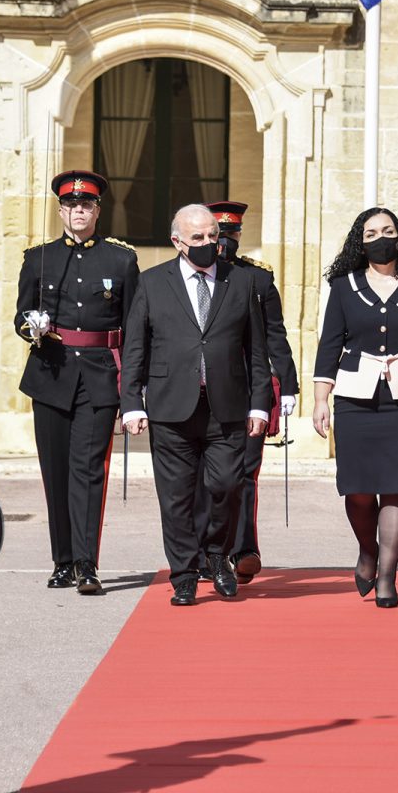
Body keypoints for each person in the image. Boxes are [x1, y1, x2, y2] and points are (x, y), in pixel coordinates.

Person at [119, 204, 271, 606]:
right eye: (199, 238)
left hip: (228, 406)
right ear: (178, 242)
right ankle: (184, 573)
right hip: (171, 406)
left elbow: (255, 349)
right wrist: (132, 402)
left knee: (225, 485)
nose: (209, 244)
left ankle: (217, 554)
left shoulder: (241, 282)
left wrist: (260, 405)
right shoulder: (152, 283)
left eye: (213, 236)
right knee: (176, 496)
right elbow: (136, 346)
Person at [311, 207, 398, 608]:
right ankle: (367, 550)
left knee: (396, 486)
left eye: (387, 230)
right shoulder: (343, 286)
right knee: (356, 489)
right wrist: (321, 399)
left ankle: (387, 577)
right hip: (354, 396)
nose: (380, 238)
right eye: (371, 233)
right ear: (360, 240)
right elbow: (329, 345)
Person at [13, 170, 139, 595]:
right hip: (51, 373)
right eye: (70, 205)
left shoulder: (121, 260)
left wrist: (133, 391)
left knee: (89, 472)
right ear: (61, 209)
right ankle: (62, 561)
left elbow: (134, 327)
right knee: (56, 472)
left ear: (97, 210)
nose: (78, 211)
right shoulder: (38, 257)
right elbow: (20, 315)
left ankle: (87, 564)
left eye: (85, 205)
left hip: (100, 376)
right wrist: (30, 324)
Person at [195, 199, 298, 584]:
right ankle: (206, 551)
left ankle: (244, 550)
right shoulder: (193, 276)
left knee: (243, 474)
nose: (226, 241)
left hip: (250, 389)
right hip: (205, 388)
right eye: (220, 234)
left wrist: (287, 384)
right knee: (204, 475)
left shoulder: (257, 279)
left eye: (232, 233)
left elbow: (275, 334)